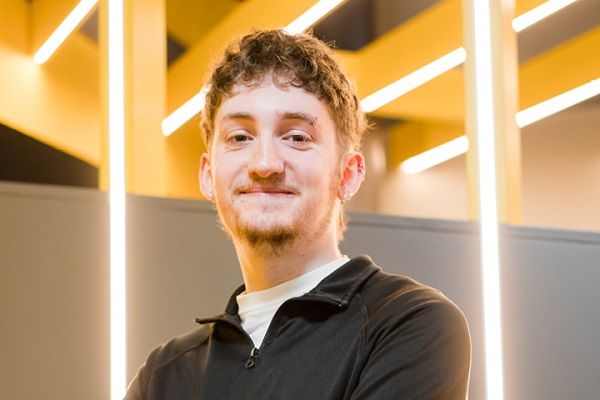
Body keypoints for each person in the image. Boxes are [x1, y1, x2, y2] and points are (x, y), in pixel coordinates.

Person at [125, 29, 471, 400]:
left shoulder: (409, 325)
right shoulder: (164, 374)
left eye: (297, 137)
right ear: (208, 175)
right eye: (240, 137)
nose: (265, 164)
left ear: (348, 174)